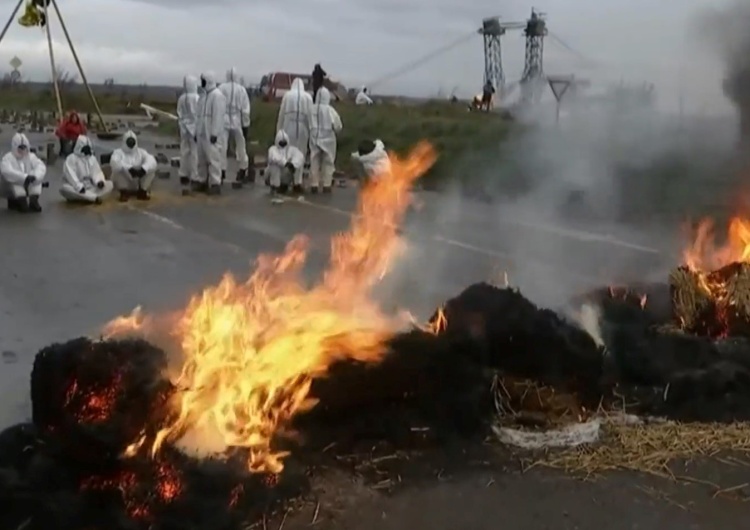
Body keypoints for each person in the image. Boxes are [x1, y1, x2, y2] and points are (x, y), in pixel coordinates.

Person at [276, 77, 312, 190]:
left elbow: (281, 114)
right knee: (300, 154)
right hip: (303, 128)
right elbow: (311, 116)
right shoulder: (308, 97)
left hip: (288, 126)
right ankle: (297, 182)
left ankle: (284, 181)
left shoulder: (287, 95)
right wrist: (311, 132)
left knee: (286, 153)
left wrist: (279, 131)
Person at [194, 70, 226, 195]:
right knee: (201, 158)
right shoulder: (203, 96)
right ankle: (202, 180)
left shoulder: (217, 96)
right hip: (202, 131)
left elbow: (218, 116)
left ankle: (215, 183)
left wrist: (215, 133)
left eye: (203, 80)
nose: (201, 83)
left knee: (213, 158)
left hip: (211, 132)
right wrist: (196, 132)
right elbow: (198, 115)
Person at [219, 67, 251, 187]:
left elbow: (217, 105)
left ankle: (221, 171)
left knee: (222, 147)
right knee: (241, 146)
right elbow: (246, 110)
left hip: (224, 120)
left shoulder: (221, 88)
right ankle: (243, 169)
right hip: (237, 119)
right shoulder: (241, 90)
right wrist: (245, 125)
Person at [0, 132, 46, 212]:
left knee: (37, 182)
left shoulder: (31, 157)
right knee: (16, 185)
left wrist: (35, 176)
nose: (22, 150)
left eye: (24, 147)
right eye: (20, 147)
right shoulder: (8, 158)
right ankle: (20, 201)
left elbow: (40, 166)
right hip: (11, 186)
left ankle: (33, 201)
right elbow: (7, 171)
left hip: (27, 183)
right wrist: (24, 178)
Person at [60, 135, 113, 204]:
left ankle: (88, 197)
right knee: (65, 188)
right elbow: (70, 174)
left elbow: (96, 172)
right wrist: (78, 186)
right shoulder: (71, 158)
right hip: (76, 188)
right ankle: (93, 198)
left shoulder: (91, 158)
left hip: (91, 187)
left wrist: (99, 181)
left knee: (110, 184)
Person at [309, 87, 342, 193]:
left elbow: (307, 122)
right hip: (328, 139)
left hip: (314, 137)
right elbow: (338, 126)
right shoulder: (330, 110)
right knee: (328, 162)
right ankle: (327, 184)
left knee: (314, 161)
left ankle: (314, 184)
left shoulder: (311, 109)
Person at [110, 130, 158, 202]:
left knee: (151, 170)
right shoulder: (118, 152)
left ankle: (142, 191)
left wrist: (144, 169)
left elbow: (152, 161)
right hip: (125, 181)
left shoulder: (141, 152)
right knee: (117, 170)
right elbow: (115, 162)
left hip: (138, 182)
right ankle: (124, 193)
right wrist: (129, 168)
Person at [266, 130, 304, 198]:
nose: (283, 144)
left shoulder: (291, 149)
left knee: (295, 167)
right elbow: (274, 157)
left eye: (284, 142)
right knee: (275, 166)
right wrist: (285, 163)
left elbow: (300, 156)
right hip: (271, 175)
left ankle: (286, 185)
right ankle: (275, 186)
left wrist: (293, 164)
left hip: (284, 174)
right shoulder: (273, 149)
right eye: (281, 142)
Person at [176, 75, 199, 186]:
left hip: (184, 127)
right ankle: (195, 176)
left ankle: (183, 174)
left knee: (184, 151)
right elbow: (197, 115)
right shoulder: (196, 98)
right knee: (195, 153)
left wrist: (181, 125)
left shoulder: (181, 98)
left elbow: (179, 113)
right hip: (194, 128)